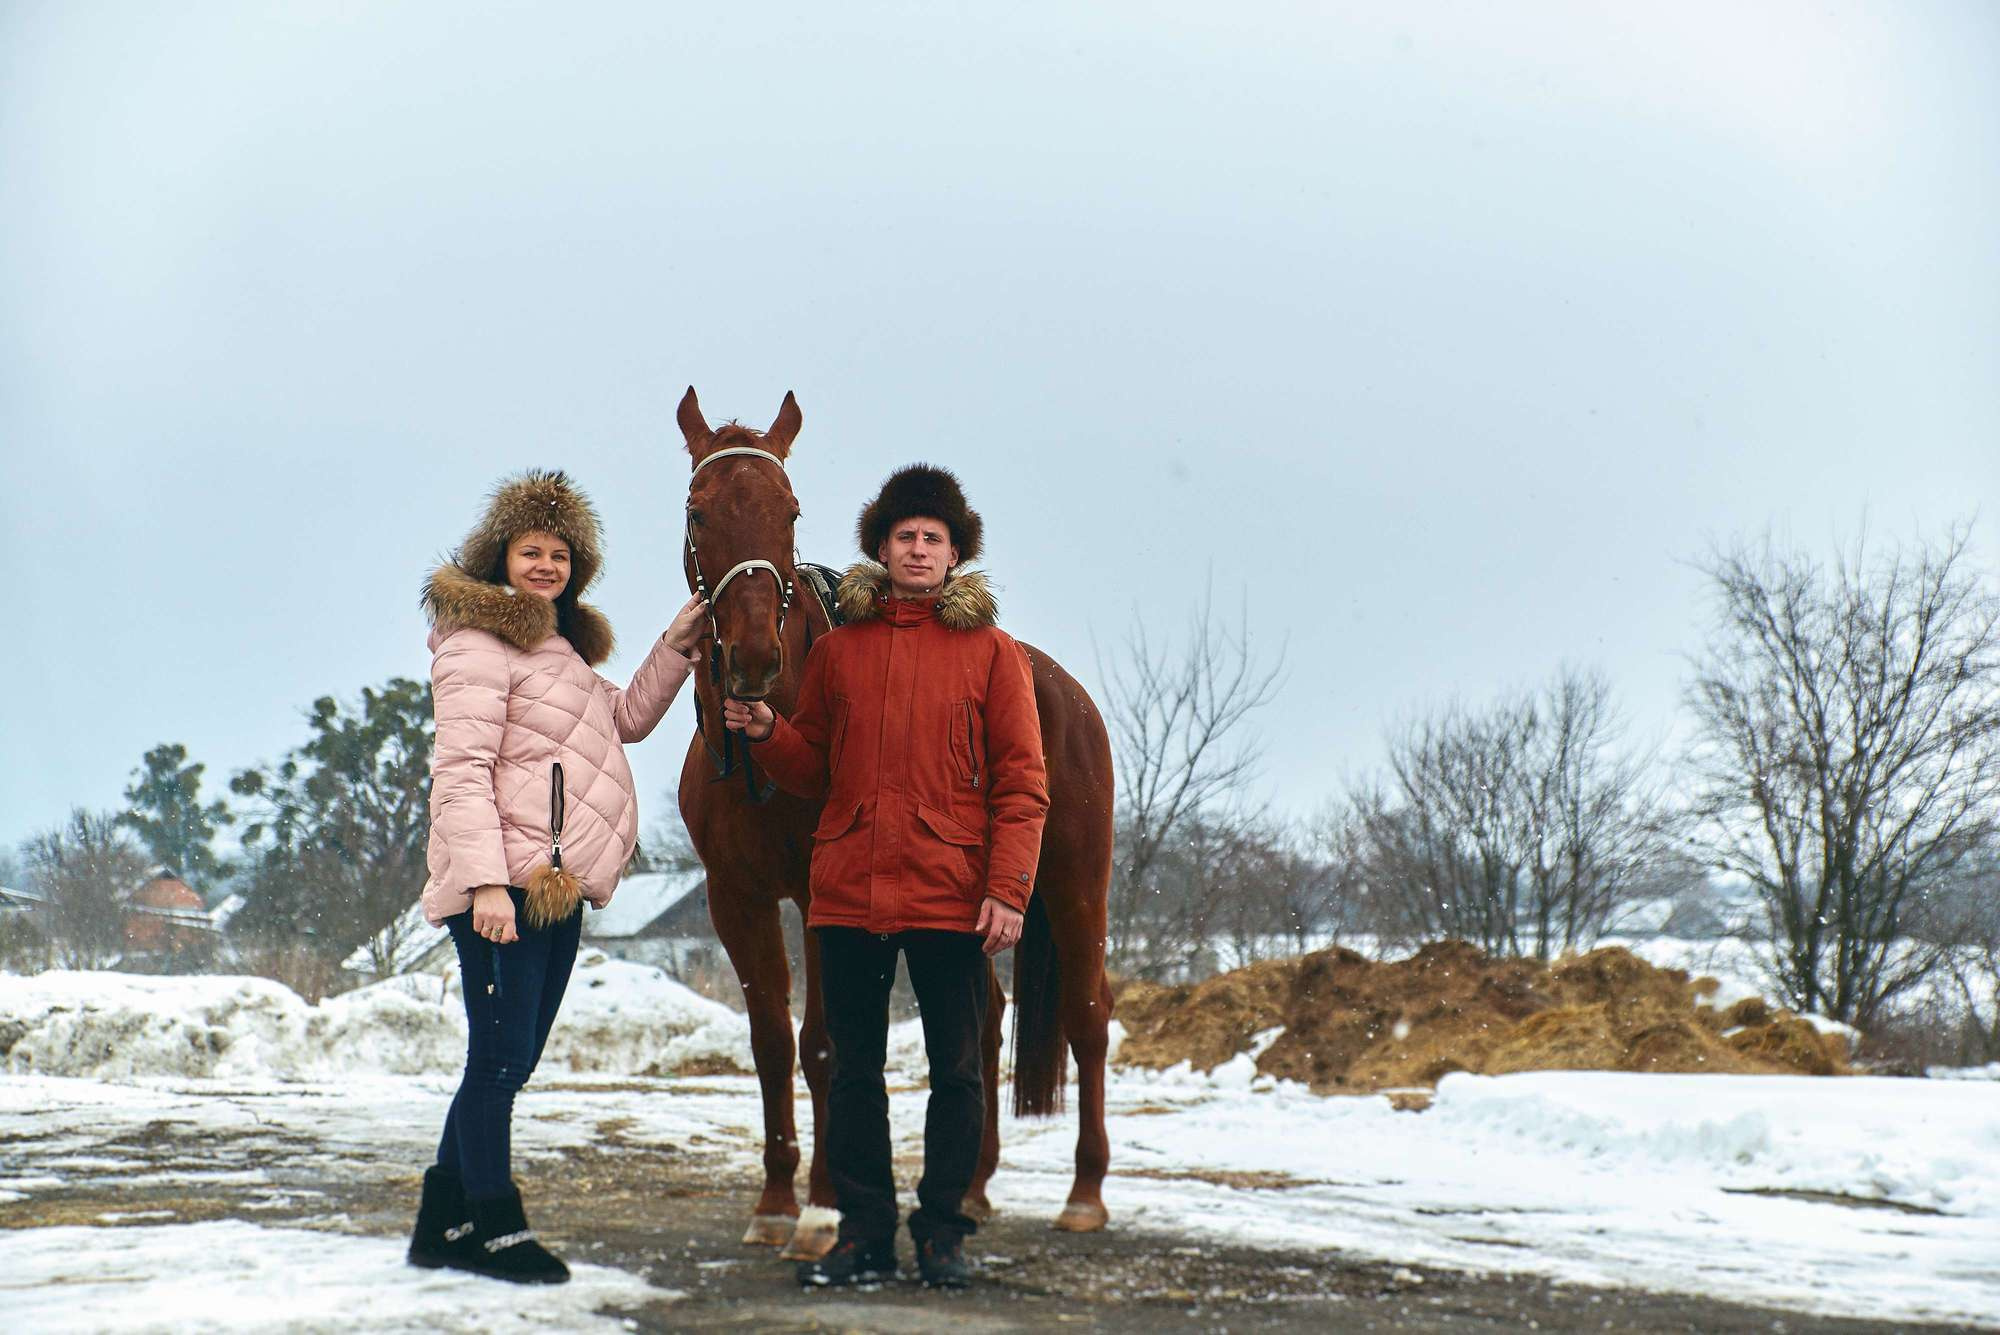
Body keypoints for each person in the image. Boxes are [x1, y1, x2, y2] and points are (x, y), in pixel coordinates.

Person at [723, 464, 1049, 1290]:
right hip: (848, 894)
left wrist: (1008, 889)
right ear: (879, 546)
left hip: (948, 896)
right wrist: (767, 729)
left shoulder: (992, 654)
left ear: (954, 554)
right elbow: (813, 768)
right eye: (903, 536)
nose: (917, 549)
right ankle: (865, 1234)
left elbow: (1023, 783)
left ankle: (942, 1231)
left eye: (932, 538)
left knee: (957, 1072)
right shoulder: (838, 653)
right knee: (852, 1071)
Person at [405, 469, 706, 1284]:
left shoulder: (559, 649)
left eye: (561, 553)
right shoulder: (476, 644)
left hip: (557, 886)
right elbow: (460, 771)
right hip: (502, 889)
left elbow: (627, 718)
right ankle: (496, 1226)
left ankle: (440, 1223)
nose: (546, 564)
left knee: (507, 1061)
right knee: (499, 1063)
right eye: (531, 549)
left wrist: (678, 643)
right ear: (499, 556)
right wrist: (487, 886)